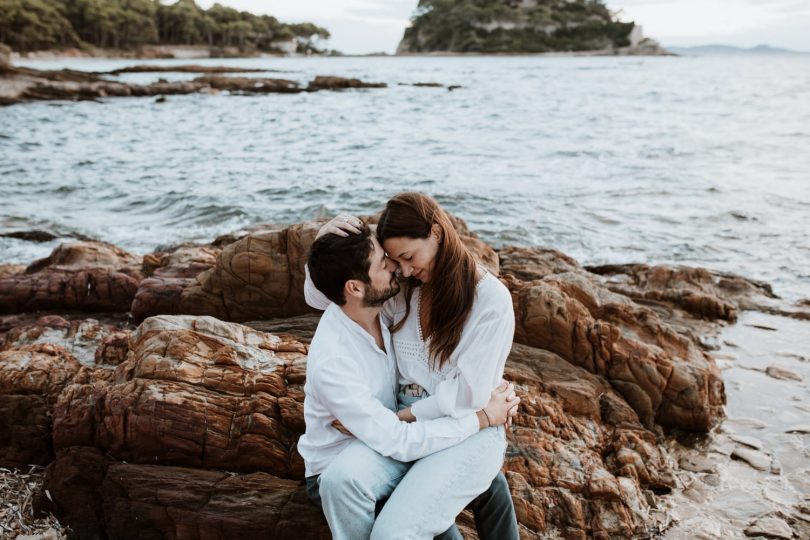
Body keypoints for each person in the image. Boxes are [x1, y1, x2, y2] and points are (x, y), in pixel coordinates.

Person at [304, 192, 519, 540]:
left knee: (467, 495)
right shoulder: (404, 289)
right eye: (392, 261)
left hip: (466, 423)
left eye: (406, 257)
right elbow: (328, 296)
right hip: (414, 425)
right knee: (349, 485)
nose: (402, 269)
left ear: (436, 232)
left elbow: (469, 396)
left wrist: (397, 419)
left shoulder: (490, 300)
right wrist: (324, 242)